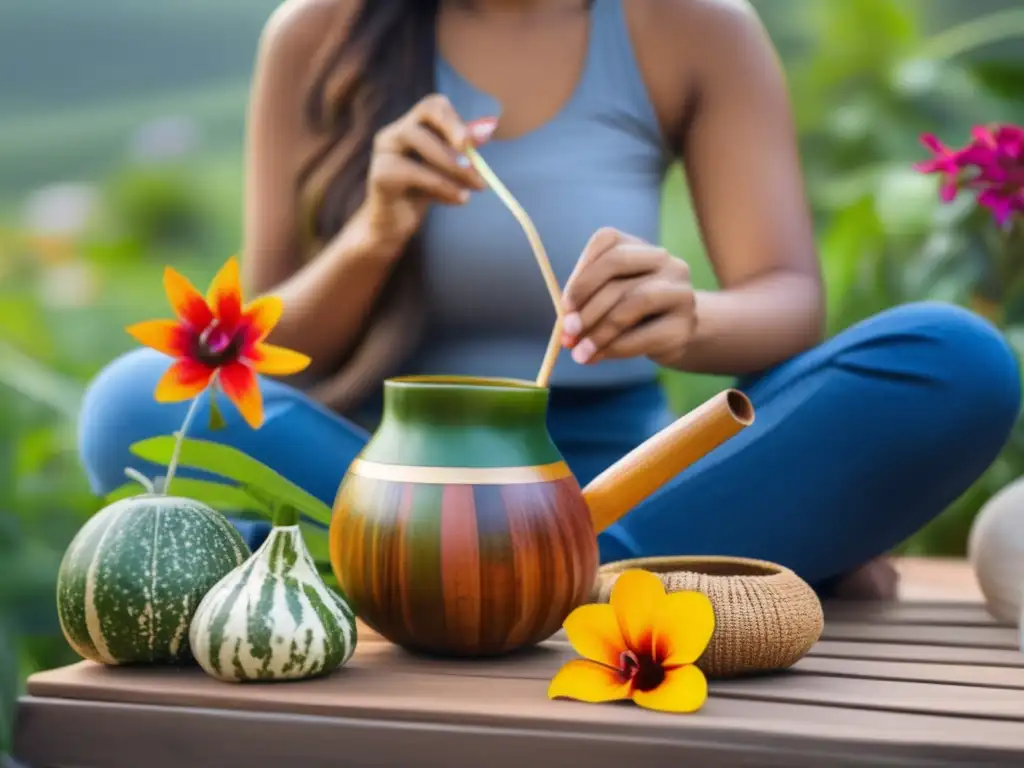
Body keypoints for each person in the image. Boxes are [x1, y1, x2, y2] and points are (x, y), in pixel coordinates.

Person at [78, 0, 1020, 600]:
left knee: (955, 359)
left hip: (626, 477)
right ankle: (644, 574)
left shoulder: (694, 26)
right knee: (138, 396)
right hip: (387, 483)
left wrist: (688, 319)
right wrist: (372, 233)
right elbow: (265, 347)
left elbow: (788, 303)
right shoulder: (318, 31)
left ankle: (497, 583)